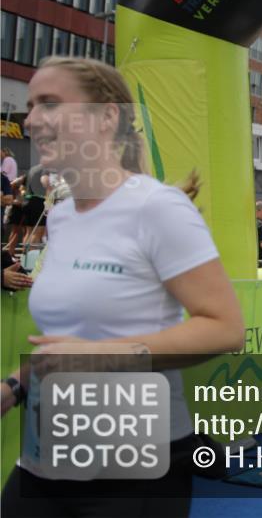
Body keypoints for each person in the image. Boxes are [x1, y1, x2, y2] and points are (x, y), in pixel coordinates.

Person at [1, 56, 244, 516]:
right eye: (31, 106)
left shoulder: (158, 208)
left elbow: (225, 328)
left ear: (107, 116)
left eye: (49, 103)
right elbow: (67, 343)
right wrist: (14, 386)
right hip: (42, 462)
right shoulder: (63, 216)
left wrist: (103, 354)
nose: (31, 119)